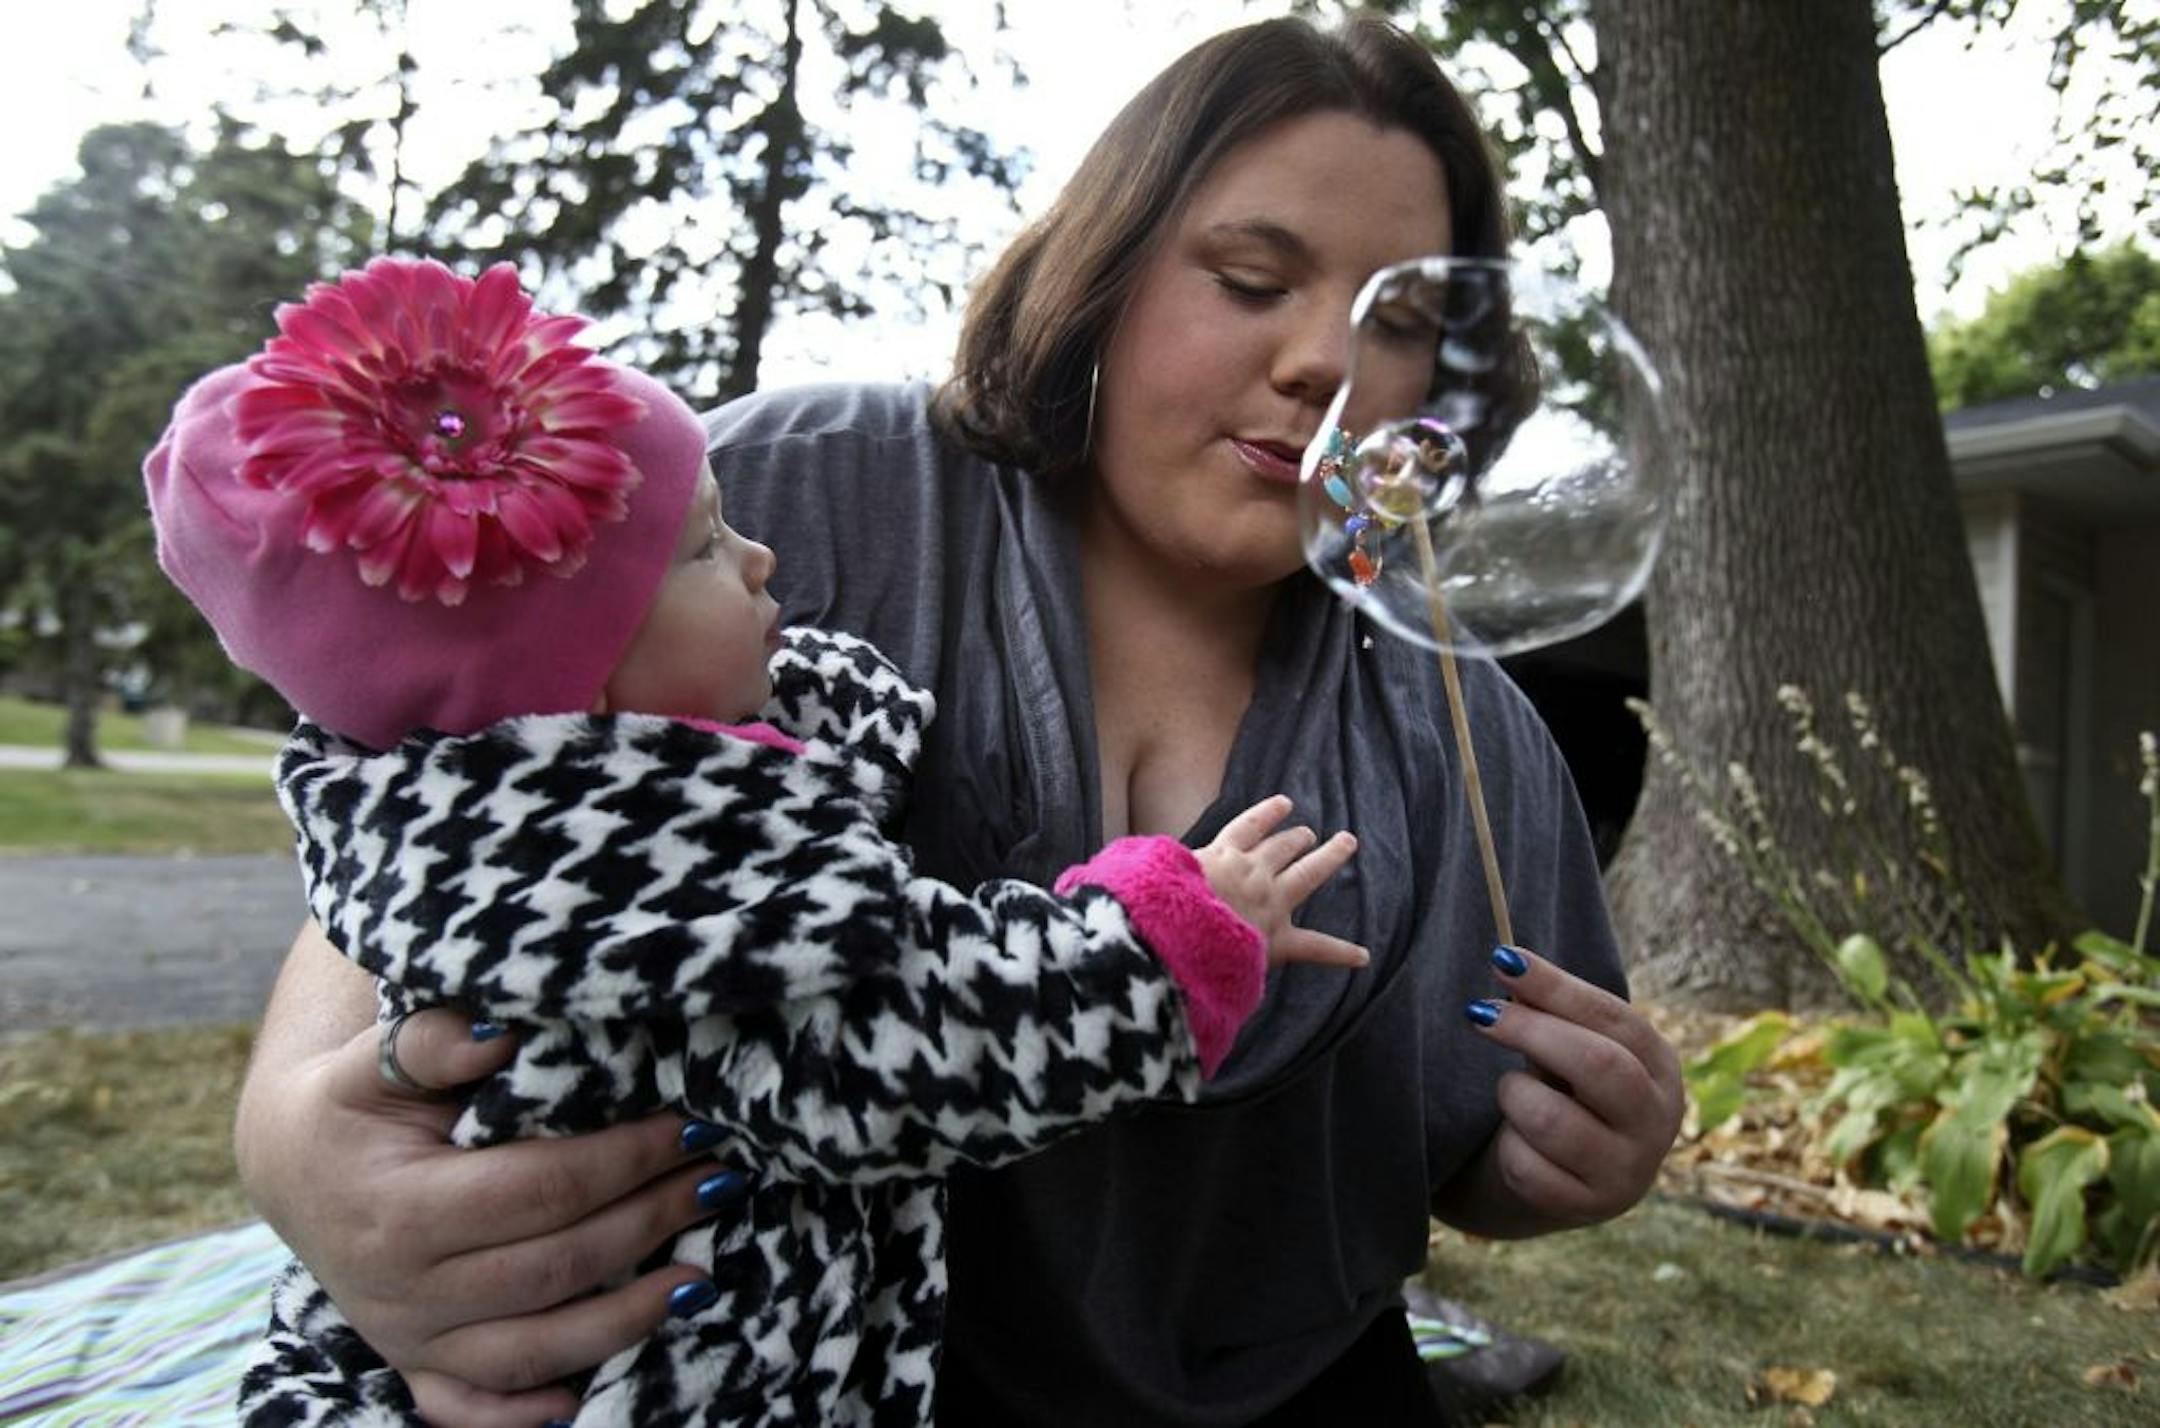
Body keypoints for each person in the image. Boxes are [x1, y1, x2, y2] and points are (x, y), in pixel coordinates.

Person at [228, 16, 1686, 1427]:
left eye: (1406, 322)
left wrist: (1563, 1166)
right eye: (1251, 278)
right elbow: (451, 815)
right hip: (791, 1368)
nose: (1325, 363)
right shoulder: (789, 497)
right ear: (1104, 269)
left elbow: (1467, 1157)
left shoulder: (1464, 728)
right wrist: (294, 1136)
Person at [144, 256, 1368, 1425]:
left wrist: (837, 719)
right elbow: (929, 1032)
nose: (762, 556)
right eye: (705, 549)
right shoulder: (681, 893)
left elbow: (776, 719)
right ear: (584, 687)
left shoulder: (486, 818)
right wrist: (1178, 934)